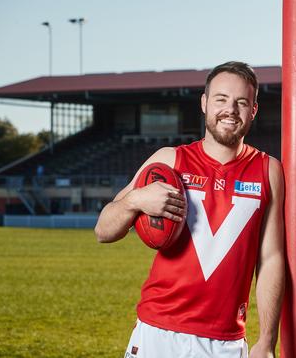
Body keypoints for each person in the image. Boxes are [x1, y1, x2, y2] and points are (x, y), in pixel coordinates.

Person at [94, 61, 285, 358]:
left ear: (253, 110)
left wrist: (267, 340)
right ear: (205, 103)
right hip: (158, 331)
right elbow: (103, 231)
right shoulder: (169, 161)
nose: (230, 110)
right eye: (221, 99)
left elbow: (271, 257)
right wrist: (136, 200)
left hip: (225, 342)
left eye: (241, 102)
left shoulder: (268, 170)